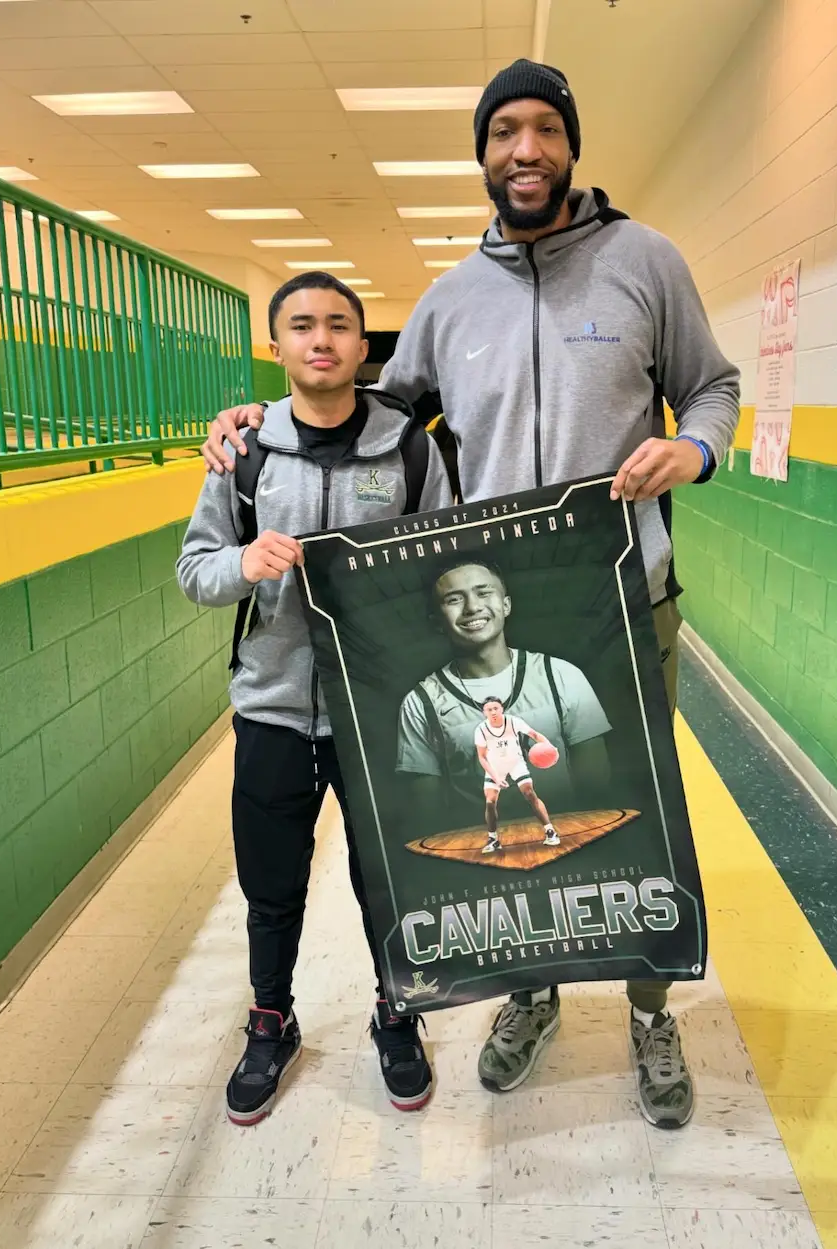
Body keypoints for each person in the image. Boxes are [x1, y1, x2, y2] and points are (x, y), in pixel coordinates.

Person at [200, 60, 741, 1128]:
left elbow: (715, 383)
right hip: (498, 617)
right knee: (520, 836)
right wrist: (249, 418)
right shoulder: (451, 300)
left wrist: (692, 448)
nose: (525, 150)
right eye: (505, 132)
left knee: (638, 826)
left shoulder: (646, 262)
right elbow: (361, 410)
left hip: (625, 600)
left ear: (571, 145)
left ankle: (648, 1014)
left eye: (545, 129)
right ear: (483, 154)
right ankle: (529, 994)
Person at [177, 271, 452, 1124]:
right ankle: (271, 1020)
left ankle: (396, 1010)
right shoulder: (245, 453)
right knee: (271, 885)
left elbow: (448, 563)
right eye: (302, 325)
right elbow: (196, 570)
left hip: (379, 713)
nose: (321, 338)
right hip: (273, 709)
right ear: (277, 346)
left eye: (339, 324)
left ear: (366, 348)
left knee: (389, 876)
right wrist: (244, 564)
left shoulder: (410, 451)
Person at [397, 557, 613, 838]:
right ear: (436, 621)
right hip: (481, 861)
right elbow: (428, 816)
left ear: (506, 605)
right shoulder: (420, 703)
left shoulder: (560, 674)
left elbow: (597, 788)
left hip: (569, 843)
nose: (473, 607)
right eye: (453, 599)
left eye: (483, 592)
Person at [474, 696, 559, 853]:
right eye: (489, 709)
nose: (493, 711)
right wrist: (496, 777)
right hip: (494, 766)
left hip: (515, 762)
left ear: (502, 709)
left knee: (529, 793)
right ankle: (493, 839)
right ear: (484, 712)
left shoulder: (513, 721)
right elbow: (482, 756)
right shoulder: (481, 729)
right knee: (490, 802)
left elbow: (534, 734)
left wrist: (550, 747)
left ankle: (550, 831)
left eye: (496, 708)